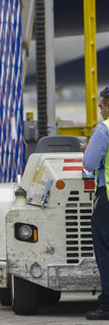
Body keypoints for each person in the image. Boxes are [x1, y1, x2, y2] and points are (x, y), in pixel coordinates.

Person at [83, 86, 109, 320]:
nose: (100, 110)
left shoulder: (104, 130)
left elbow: (90, 163)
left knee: (106, 252)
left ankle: (107, 305)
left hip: (107, 200)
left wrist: (89, 149)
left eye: (101, 106)